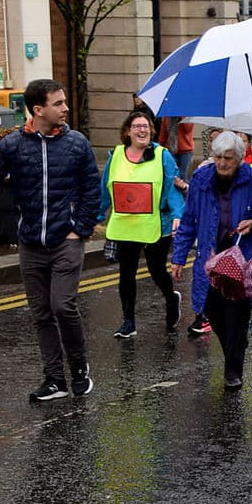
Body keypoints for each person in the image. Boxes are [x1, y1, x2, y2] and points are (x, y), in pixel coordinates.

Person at [0, 79, 101, 402]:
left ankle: (79, 368)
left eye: (65, 101)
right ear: (38, 109)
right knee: (41, 313)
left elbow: (92, 190)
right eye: (58, 103)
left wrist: (79, 229)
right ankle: (54, 379)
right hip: (30, 243)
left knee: (62, 305)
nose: (65, 108)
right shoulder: (13, 145)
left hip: (65, 240)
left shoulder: (77, 144)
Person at [171, 132, 252, 389]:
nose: (222, 163)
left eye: (228, 158)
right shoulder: (200, 178)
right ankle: (235, 343)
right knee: (213, 311)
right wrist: (178, 256)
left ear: (240, 159)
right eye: (218, 157)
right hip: (211, 256)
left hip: (243, 257)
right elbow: (189, 219)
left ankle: (233, 368)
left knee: (238, 314)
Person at [98, 111, 185, 338]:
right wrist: (96, 216)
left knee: (157, 271)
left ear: (151, 131)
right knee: (126, 273)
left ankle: (171, 298)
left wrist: (178, 214)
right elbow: (105, 188)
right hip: (125, 225)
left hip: (156, 224)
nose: (142, 130)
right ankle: (128, 321)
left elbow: (172, 187)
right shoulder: (115, 155)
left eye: (145, 126)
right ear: (128, 131)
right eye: (136, 126)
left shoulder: (162, 155)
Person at [158, 116, 195, 184]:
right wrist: (160, 147)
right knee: (171, 175)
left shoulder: (188, 115)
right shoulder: (167, 117)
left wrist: (181, 116)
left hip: (186, 151)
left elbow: (188, 129)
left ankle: (185, 193)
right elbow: (163, 132)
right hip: (170, 150)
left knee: (182, 175)